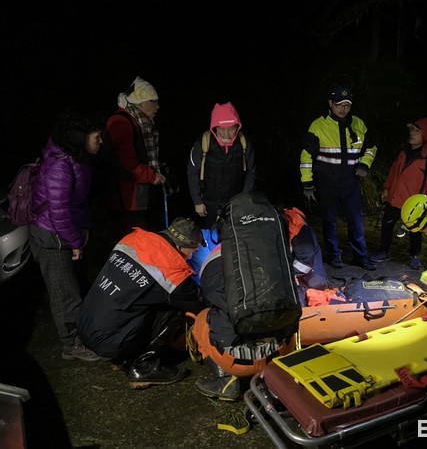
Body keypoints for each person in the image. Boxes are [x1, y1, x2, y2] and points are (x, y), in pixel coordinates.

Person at [76, 217, 205, 389]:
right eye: (193, 251)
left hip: (84, 324)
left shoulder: (132, 240)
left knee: (144, 301)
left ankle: (121, 358)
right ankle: (143, 367)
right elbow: (195, 301)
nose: (192, 256)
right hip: (108, 341)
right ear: (180, 247)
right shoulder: (171, 270)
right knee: (177, 311)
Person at [28, 107, 104, 362]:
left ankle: (85, 333)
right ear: (81, 137)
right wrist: (74, 241)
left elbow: (77, 202)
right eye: (97, 137)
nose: (101, 141)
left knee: (79, 285)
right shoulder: (59, 165)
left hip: (65, 231)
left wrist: (83, 231)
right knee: (65, 292)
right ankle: (71, 344)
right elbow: (58, 210)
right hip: (50, 237)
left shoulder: (78, 159)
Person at [190, 244, 297, 401]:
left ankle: (225, 381)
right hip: (278, 354)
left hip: (238, 361)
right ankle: (276, 379)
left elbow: (213, 302)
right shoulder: (276, 256)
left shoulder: (215, 265)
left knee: (203, 318)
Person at [300, 84, 378, 271]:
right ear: (330, 103)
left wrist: (364, 165)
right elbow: (306, 156)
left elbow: (371, 147)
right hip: (327, 183)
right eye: (339, 104)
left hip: (351, 182)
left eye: (347, 105)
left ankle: (361, 257)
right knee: (329, 221)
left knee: (356, 223)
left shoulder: (359, 124)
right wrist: (308, 184)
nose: (343, 109)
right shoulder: (318, 125)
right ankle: (334, 256)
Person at [370, 117, 427, 270]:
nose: (412, 133)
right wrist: (387, 188)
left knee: (415, 230)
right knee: (387, 224)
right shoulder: (403, 150)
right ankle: (384, 251)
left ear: (426, 134)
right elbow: (393, 171)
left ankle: (415, 256)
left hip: (414, 203)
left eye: (417, 131)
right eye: (411, 130)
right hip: (395, 197)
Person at [104, 76, 166, 241]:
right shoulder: (121, 122)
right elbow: (127, 163)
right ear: (142, 102)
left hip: (135, 197)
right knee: (131, 242)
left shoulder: (136, 121)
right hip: (126, 199)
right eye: (154, 101)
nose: (158, 106)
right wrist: (152, 175)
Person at [187, 102, 256, 228]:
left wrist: (245, 200)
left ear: (237, 126)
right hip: (208, 205)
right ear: (214, 127)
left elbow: (251, 172)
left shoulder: (244, 143)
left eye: (231, 129)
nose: (226, 134)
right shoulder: (203, 143)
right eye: (221, 129)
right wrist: (197, 202)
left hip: (235, 204)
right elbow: (192, 173)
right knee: (211, 239)